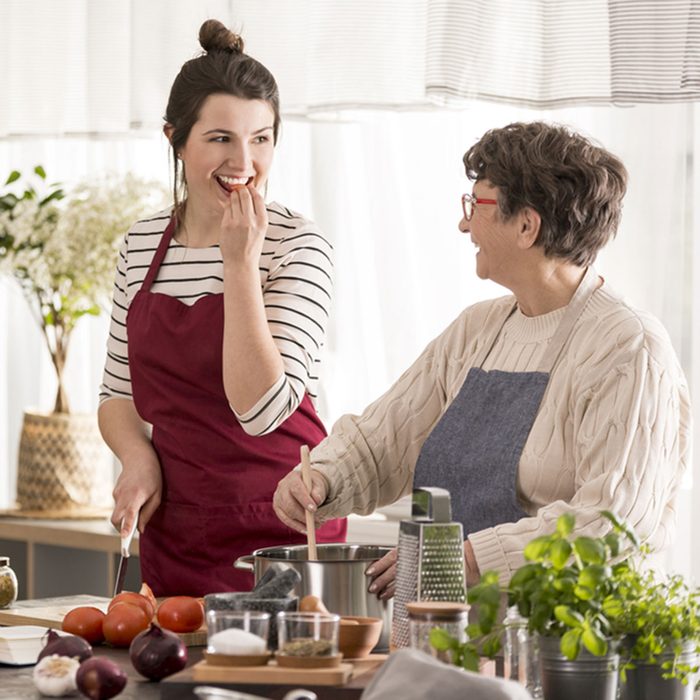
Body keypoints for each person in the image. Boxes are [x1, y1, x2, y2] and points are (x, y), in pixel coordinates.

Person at [273, 121, 691, 599]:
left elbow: (614, 522)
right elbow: (383, 440)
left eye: (476, 205)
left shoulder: (628, 347)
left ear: (527, 225)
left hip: (558, 644)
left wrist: (468, 558)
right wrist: (325, 478)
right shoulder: (477, 329)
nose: (463, 223)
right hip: (448, 627)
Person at [98, 19, 346, 597]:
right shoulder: (141, 244)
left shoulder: (296, 245)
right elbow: (116, 395)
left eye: (262, 138)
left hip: (286, 530)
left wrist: (239, 264)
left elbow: (261, 409)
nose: (245, 161)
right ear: (175, 139)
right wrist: (138, 459)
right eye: (220, 139)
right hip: (179, 529)